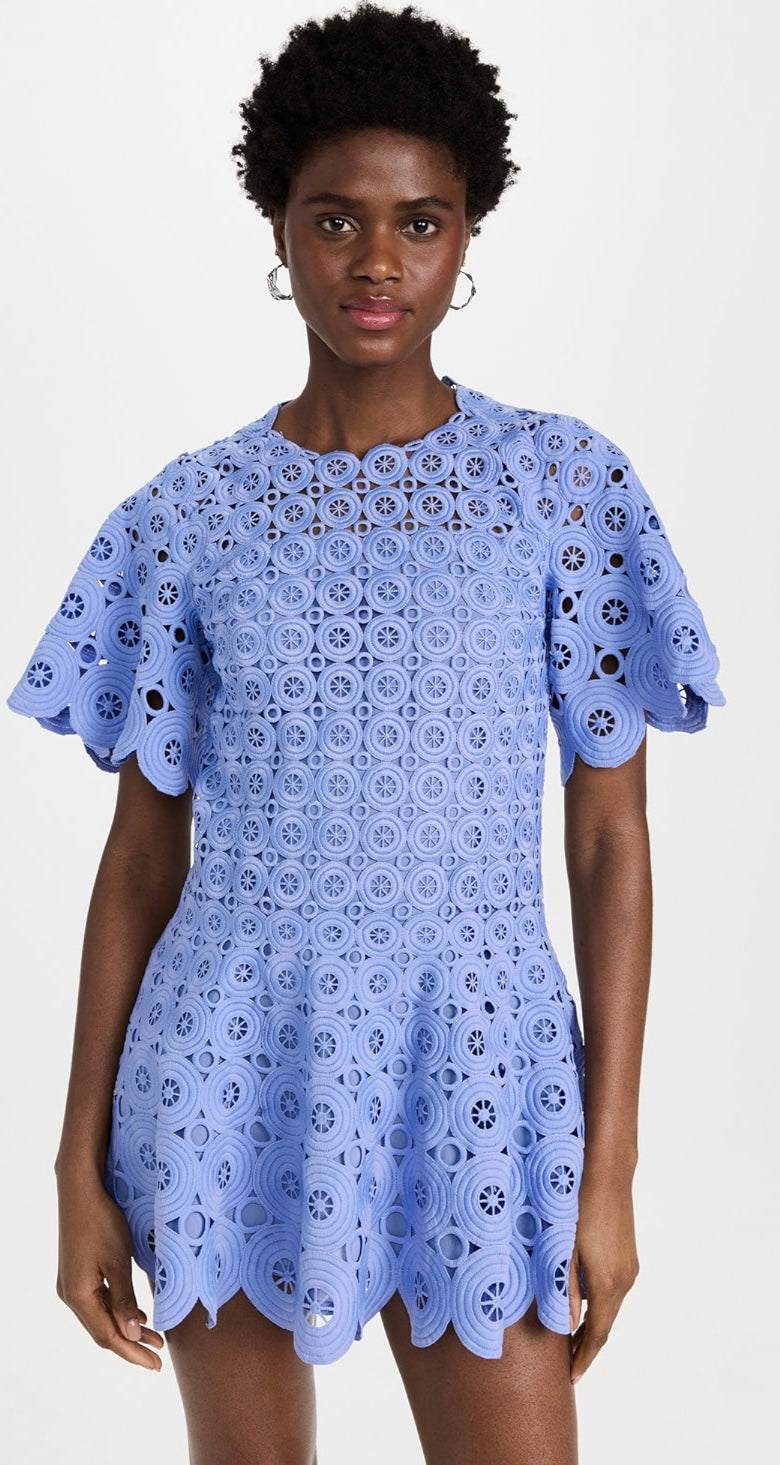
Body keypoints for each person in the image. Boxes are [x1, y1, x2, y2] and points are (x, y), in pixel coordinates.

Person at [6, 5, 725, 1463]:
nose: (378, 262)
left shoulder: (562, 489)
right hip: (227, 1063)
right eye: (336, 219)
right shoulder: (186, 517)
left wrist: (610, 1168)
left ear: (469, 237)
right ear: (280, 229)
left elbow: (610, 835)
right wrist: (75, 1163)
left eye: (421, 223)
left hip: (480, 1062)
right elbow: (140, 855)